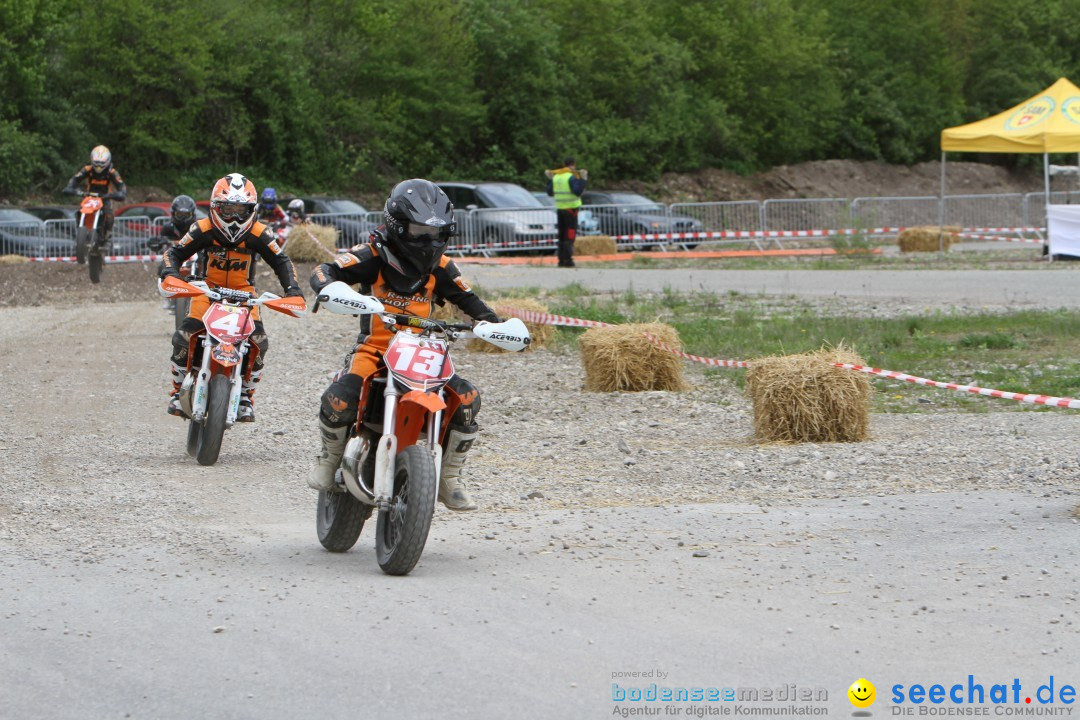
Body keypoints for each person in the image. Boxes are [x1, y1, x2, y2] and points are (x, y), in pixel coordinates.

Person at [308, 178, 500, 511]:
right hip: (375, 351)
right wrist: (332, 290)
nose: (429, 241)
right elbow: (326, 270)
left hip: (424, 354)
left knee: (467, 399)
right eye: (419, 231)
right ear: (397, 225)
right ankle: (329, 458)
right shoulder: (372, 254)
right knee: (339, 399)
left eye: (437, 233)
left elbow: (470, 300)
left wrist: (495, 325)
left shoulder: (441, 267)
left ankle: (450, 476)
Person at [159, 173, 304, 422]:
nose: (235, 217)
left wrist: (292, 290)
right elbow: (174, 252)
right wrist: (171, 272)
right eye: (228, 209)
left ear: (252, 210)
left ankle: (246, 396)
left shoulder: (260, 233)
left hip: (245, 297)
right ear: (216, 207)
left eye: (241, 210)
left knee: (260, 343)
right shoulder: (203, 228)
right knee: (183, 336)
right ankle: (176, 390)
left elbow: (282, 261)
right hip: (207, 291)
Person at [61, 145, 127, 241]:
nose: (99, 166)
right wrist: (71, 187)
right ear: (92, 160)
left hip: (105, 197)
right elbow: (75, 179)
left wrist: (121, 193)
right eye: (96, 163)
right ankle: (80, 232)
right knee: (79, 212)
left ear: (107, 161)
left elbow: (121, 185)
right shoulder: (87, 169)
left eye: (101, 163)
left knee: (109, 216)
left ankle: (107, 234)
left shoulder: (112, 172)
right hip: (89, 197)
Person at [149, 195, 200, 311]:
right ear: (173, 214)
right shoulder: (168, 228)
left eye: (186, 215)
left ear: (193, 214)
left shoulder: (198, 228)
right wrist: (157, 242)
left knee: (205, 266)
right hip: (176, 258)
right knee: (163, 267)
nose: (183, 219)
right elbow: (158, 241)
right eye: (179, 215)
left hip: (195, 257)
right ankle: (168, 294)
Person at [545, 156, 588, 267]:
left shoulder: (556, 177)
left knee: (562, 236)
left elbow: (549, 192)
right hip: (571, 210)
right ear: (574, 164)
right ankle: (568, 261)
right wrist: (583, 180)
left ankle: (561, 260)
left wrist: (549, 180)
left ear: (564, 164)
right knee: (570, 236)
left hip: (560, 210)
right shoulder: (571, 177)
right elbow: (577, 191)